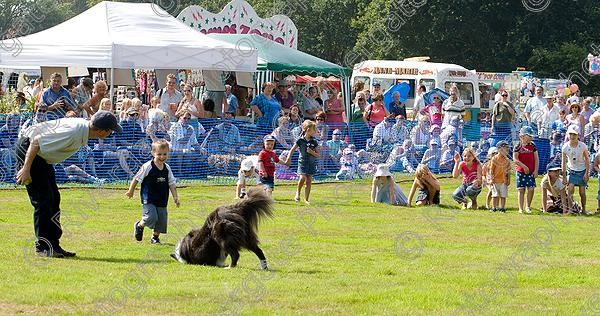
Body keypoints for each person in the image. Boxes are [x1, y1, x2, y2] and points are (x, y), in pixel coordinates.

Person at [15, 110, 122, 257]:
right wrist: (26, 169)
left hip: (40, 156)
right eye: (111, 131)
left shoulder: (82, 130)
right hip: (29, 151)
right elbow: (36, 141)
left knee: (54, 199)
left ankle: (54, 245)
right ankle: (43, 248)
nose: (111, 134)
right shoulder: (74, 132)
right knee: (43, 201)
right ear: (103, 132)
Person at [127, 139, 180, 244]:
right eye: (159, 154)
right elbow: (137, 178)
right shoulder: (147, 166)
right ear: (153, 153)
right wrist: (131, 191)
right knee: (150, 217)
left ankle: (155, 238)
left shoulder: (167, 168)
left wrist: (175, 197)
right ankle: (139, 225)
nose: (162, 157)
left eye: (165, 154)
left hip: (162, 197)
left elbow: (172, 184)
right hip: (149, 197)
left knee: (161, 219)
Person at [285, 120, 320, 203]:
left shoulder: (314, 142)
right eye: (314, 130)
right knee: (302, 177)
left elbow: (318, 155)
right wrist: (288, 158)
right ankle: (298, 192)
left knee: (309, 180)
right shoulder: (300, 140)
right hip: (302, 162)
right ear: (308, 130)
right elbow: (292, 150)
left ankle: (306, 199)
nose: (315, 132)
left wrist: (312, 152)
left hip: (311, 163)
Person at [562, 125, 590, 214]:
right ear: (567, 135)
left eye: (574, 134)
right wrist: (564, 176)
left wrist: (586, 173)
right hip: (571, 170)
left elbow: (587, 159)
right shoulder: (565, 147)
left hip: (582, 170)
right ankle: (570, 209)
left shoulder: (582, 146)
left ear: (578, 135)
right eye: (570, 134)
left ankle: (584, 209)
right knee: (570, 189)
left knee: (582, 192)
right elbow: (563, 162)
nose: (572, 136)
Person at [513, 126, 539, 214]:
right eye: (529, 136)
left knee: (531, 189)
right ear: (523, 136)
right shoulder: (518, 146)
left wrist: (536, 170)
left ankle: (528, 206)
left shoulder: (533, 146)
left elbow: (536, 159)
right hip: (521, 171)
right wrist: (524, 167)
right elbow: (515, 159)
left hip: (531, 171)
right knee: (521, 190)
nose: (531, 138)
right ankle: (520, 208)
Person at [490, 140, 512, 213]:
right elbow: (491, 170)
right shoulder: (494, 159)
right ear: (499, 149)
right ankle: (494, 207)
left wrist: (508, 179)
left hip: (503, 181)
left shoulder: (507, 160)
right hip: (495, 180)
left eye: (507, 149)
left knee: (503, 195)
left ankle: (502, 207)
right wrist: (491, 178)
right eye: (505, 149)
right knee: (495, 195)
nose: (507, 151)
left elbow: (508, 171)